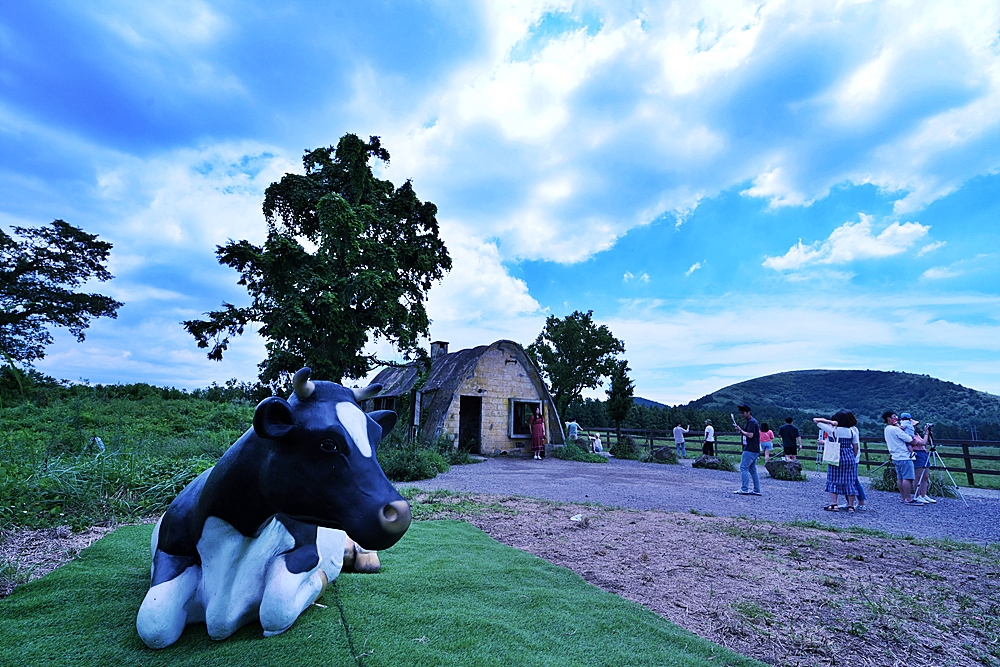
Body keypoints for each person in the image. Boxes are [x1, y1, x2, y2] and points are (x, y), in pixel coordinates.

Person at [814, 412, 860, 512]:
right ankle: (851, 506)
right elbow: (856, 447)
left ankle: (834, 504)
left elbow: (815, 420)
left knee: (833, 479)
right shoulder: (852, 432)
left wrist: (829, 422)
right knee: (850, 481)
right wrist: (853, 456)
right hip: (849, 457)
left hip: (835, 457)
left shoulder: (832, 430)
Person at [881, 411, 929, 506]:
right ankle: (908, 498)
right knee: (908, 478)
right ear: (889, 418)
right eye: (894, 416)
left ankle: (903, 497)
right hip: (904, 456)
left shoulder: (887, 429)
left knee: (900, 478)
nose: (896, 417)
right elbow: (909, 439)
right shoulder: (896, 430)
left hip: (895, 456)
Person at [900, 412, 936, 504]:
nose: (915, 426)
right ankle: (917, 495)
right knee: (918, 477)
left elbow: (925, 444)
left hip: (924, 453)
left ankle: (924, 495)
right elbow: (923, 443)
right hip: (918, 454)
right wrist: (926, 434)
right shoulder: (910, 436)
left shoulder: (916, 434)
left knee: (925, 476)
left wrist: (928, 435)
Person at [733, 405, 762, 496]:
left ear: (749, 412)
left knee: (743, 468)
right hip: (755, 449)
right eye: (741, 413)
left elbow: (750, 435)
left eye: (743, 413)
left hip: (750, 448)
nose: (742, 415)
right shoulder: (751, 421)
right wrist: (740, 430)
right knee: (752, 469)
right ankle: (757, 489)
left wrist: (740, 430)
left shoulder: (751, 422)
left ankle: (744, 488)